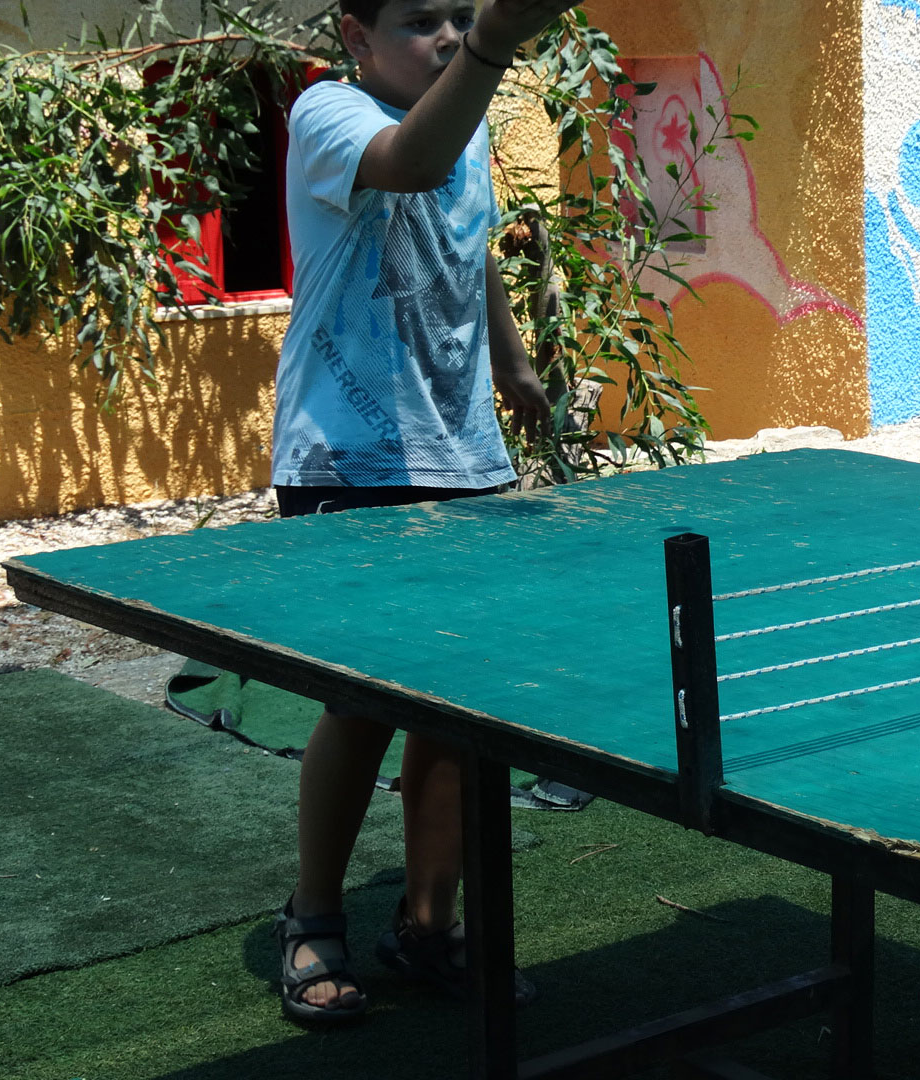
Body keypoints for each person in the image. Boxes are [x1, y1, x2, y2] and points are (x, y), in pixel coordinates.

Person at [269, 0, 577, 1024]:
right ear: (357, 37)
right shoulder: (329, 112)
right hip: (347, 459)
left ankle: (428, 925)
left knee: (457, 704)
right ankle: (314, 917)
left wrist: (512, 361)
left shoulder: (465, 116)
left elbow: (468, 236)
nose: (446, 35)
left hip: (463, 451)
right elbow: (408, 164)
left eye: (459, 14)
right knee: (360, 701)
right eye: (419, 20)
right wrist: (491, 44)